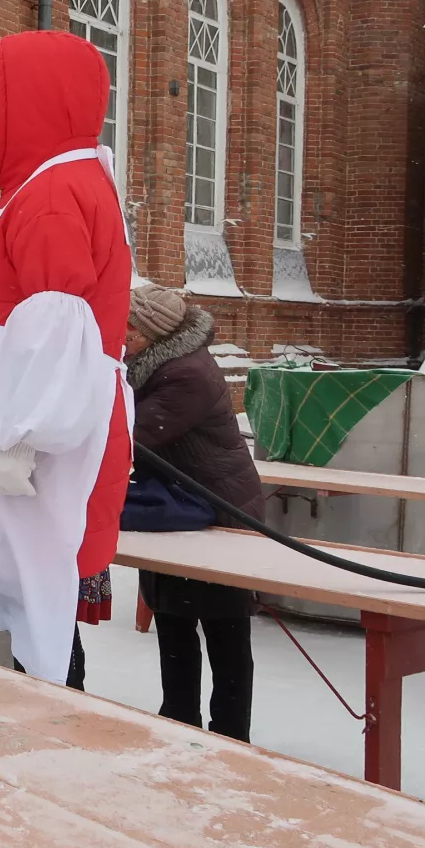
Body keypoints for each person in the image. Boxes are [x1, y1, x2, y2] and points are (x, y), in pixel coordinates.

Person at [0, 31, 134, 685]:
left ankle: (53, 743)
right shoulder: (69, 181)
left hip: (41, 449)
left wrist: (18, 442)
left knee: (43, 614)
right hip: (47, 437)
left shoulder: (50, 198)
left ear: (36, 108)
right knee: (42, 606)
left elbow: (52, 334)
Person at [125, 285, 261, 741]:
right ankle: (180, 719)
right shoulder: (156, 364)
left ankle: (229, 735)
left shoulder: (185, 374)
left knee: (225, 633)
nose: (119, 334)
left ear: (152, 333)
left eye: (129, 327)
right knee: (175, 618)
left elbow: (133, 434)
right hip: (179, 510)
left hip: (219, 514)